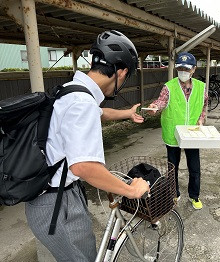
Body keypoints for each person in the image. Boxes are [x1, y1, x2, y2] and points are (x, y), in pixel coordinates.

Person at [25, 30, 150, 262]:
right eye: (127, 75)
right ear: (120, 72)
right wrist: (133, 190)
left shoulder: (72, 90)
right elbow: (84, 167)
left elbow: (99, 113)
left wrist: (126, 114)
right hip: (56, 204)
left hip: (57, 196)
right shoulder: (82, 103)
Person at [147, 52, 208, 210]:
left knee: (194, 167)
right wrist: (155, 107)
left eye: (186, 69)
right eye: (180, 68)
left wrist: (201, 119)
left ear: (193, 69)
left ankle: (194, 196)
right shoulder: (169, 86)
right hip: (173, 133)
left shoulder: (201, 87)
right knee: (172, 166)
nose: (182, 71)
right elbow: (161, 101)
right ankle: (174, 193)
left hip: (191, 133)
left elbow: (203, 105)